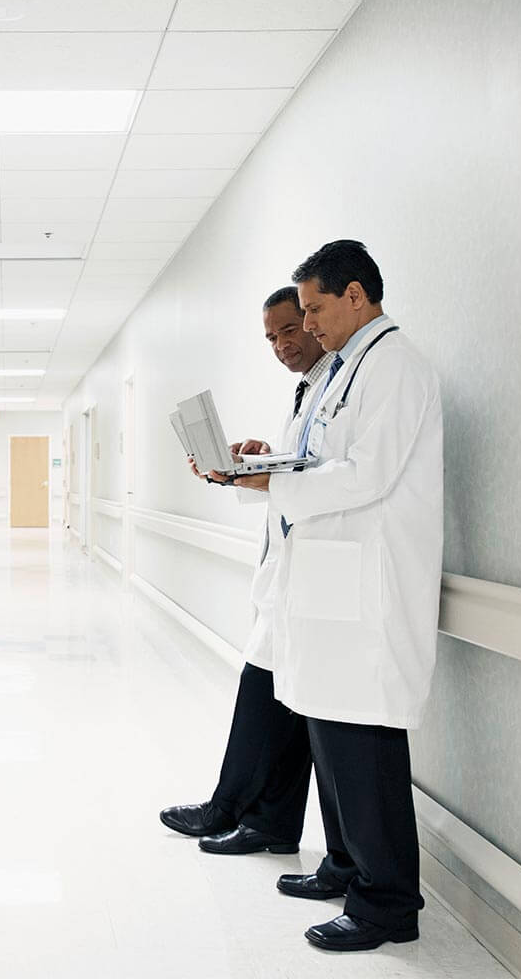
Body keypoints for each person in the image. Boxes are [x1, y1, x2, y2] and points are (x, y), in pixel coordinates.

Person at [233, 241, 443, 951]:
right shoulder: (348, 369)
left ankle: (386, 906)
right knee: (331, 737)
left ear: (357, 295)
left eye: (316, 309)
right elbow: (322, 459)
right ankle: (346, 867)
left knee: (364, 747)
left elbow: (369, 473)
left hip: (369, 594)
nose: (309, 324)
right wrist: (272, 466)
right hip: (329, 588)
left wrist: (276, 484)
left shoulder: (397, 367)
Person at [160, 286, 333, 855]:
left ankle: (228, 809)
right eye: (272, 338)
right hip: (294, 573)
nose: (282, 345)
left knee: (266, 698)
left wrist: (272, 474)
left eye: (290, 329)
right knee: (278, 705)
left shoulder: (343, 383)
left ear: (313, 319)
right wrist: (258, 460)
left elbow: (327, 482)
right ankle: (271, 825)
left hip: (322, 579)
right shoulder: (309, 392)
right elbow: (303, 475)